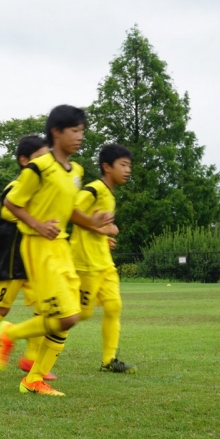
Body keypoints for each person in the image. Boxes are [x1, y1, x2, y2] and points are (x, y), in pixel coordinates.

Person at [0, 104, 113, 396]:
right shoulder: (38, 168)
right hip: (39, 247)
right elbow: (12, 203)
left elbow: (72, 211)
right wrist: (37, 225)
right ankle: (10, 333)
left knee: (72, 315)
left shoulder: (76, 171)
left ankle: (34, 379)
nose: (79, 137)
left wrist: (94, 223)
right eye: (74, 131)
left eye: (82, 131)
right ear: (56, 132)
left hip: (61, 246)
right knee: (67, 316)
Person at [0, 135, 55, 379]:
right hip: (12, 262)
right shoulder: (14, 188)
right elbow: (9, 209)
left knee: (44, 310)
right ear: (24, 161)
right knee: (0, 311)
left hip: (34, 262)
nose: (44, 163)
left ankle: (30, 359)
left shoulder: (42, 190)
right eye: (39, 158)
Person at [71, 144, 137, 373]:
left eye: (129, 165)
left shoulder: (109, 194)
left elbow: (93, 224)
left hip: (104, 262)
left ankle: (110, 360)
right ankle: (25, 338)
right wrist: (103, 230)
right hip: (86, 262)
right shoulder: (94, 189)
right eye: (123, 165)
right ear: (107, 167)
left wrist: (102, 237)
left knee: (114, 306)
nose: (128, 170)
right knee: (80, 314)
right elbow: (71, 211)